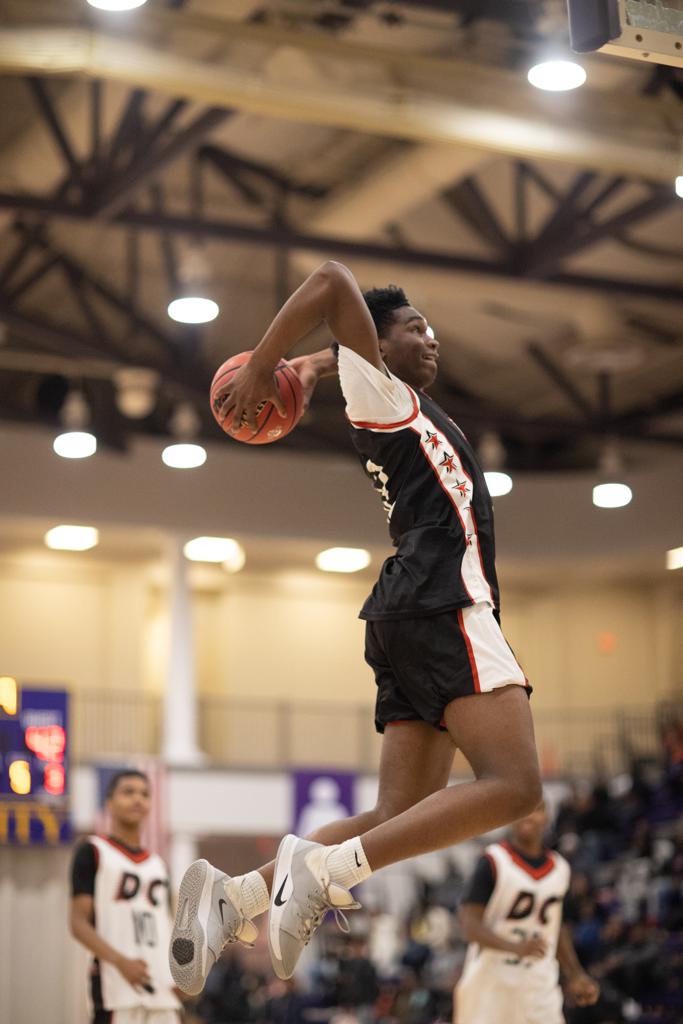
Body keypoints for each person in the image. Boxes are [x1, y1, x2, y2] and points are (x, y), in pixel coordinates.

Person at [169, 259, 542, 993]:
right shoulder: (384, 396)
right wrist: (269, 364)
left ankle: (238, 894)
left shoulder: (381, 391)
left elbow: (343, 337)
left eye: (431, 328)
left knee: (395, 814)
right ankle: (322, 872)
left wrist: (306, 369)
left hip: (406, 609)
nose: (430, 339)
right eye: (413, 329)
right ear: (375, 345)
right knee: (516, 785)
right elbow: (332, 281)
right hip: (444, 603)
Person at [453, 802, 599, 1024]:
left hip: (538, 983)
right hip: (492, 981)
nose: (528, 816)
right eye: (521, 809)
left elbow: (557, 927)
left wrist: (575, 973)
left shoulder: (560, 868)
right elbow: (469, 925)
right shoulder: (493, 860)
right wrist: (514, 947)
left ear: (547, 817)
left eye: (536, 809)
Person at [70, 769, 182, 1024]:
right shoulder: (93, 852)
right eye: (128, 792)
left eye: (144, 794)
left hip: (162, 992)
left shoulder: (159, 865)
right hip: (116, 988)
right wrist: (121, 962)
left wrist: (177, 976)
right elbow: (78, 924)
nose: (138, 799)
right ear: (109, 803)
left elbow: (166, 927)